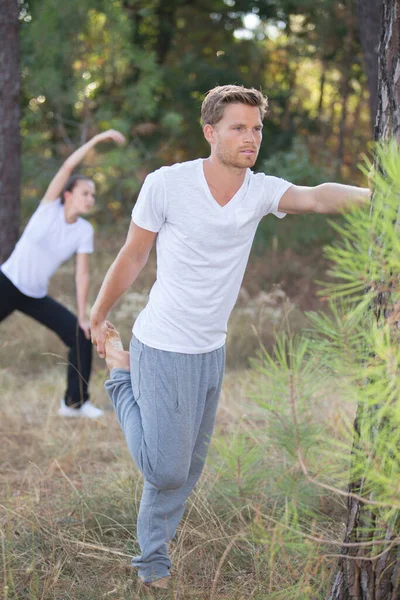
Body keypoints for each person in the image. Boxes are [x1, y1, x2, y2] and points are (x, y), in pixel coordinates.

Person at [90, 85, 371, 587]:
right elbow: (133, 255)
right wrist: (98, 314)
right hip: (162, 343)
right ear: (210, 131)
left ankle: (152, 562)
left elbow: (317, 197)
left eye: (256, 128)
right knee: (167, 471)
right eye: (238, 127)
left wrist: (380, 197)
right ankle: (119, 377)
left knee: (188, 469)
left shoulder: (259, 190)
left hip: (210, 349)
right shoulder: (167, 184)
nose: (250, 137)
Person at [0, 129, 125, 419]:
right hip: (6, 283)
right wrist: (96, 140)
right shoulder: (48, 208)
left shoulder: (84, 230)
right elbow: (68, 167)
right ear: (67, 195)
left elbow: (82, 276)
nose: (90, 199)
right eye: (85, 193)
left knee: (80, 336)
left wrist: (83, 316)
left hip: (35, 295)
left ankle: (75, 404)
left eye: (93, 195)